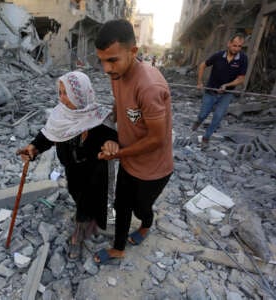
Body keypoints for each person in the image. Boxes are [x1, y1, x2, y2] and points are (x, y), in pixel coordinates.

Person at [93, 19, 173, 264]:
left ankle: (146, 225)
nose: (106, 68)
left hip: (154, 168)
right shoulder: (117, 73)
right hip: (129, 159)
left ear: (133, 52)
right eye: (102, 61)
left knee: (141, 209)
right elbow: (119, 101)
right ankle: (118, 248)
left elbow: (157, 139)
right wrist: (109, 127)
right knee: (121, 204)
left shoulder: (149, 86)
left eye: (112, 60)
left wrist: (118, 154)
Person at [18, 71, 117, 261]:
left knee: (88, 199)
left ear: (80, 95)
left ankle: (78, 234)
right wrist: (33, 148)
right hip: (72, 166)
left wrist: (113, 144)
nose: (62, 98)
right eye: (60, 92)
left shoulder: (98, 117)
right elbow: (48, 135)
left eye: (66, 93)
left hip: (95, 168)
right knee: (76, 193)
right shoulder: (59, 114)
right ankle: (89, 219)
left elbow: (113, 137)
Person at [192, 32, 248, 146]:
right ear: (229, 43)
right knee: (203, 114)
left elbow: (241, 78)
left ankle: (206, 138)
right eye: (234, 45)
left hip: (226, 94)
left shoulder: (243, 58)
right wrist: (199, 82)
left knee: (218, 117)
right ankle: (199, 121)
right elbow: (203, 65)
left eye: (239, 46)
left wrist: (226, 85)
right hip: (210, 91)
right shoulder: (218, 55)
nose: (237, 48)